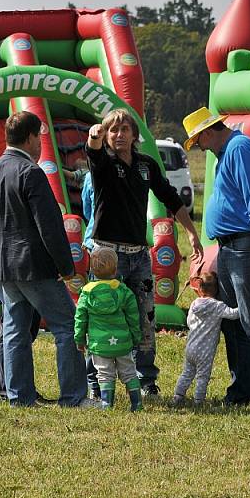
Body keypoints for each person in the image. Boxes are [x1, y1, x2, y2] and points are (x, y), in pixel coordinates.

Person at [86, 108, 202, 400]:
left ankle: (146, 380)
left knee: (145, 318)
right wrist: (94, 136)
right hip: (106, 255)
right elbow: (94, 151)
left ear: (135, 135)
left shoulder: (147, 165)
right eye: (113, 130)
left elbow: (171, 198)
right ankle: (95, 381)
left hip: (138, 254)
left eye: (125, 129)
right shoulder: (103, 163)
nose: (119, 134)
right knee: (102, 317)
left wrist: (190, 231)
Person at [0, 111, 89, 407]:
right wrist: (66, 268)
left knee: (15, 328)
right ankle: (74, 397)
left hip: (3, 266)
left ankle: (19, 397)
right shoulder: (31, 172)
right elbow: (49, 226)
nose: (41, 144)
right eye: (39, 138)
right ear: (29, 137)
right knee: (67, 325)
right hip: (35, 266)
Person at [183, 106, 250, 407]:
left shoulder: (238, 149)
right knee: (233, 321)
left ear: (205, 132)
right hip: (231, 247)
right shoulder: (229, 152)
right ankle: (242, 390)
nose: (198, 147)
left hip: (246, 246)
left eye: (196, 141)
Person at [74, 247, 143, 411]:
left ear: (92, 270)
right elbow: (133, 316)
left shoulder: (86, 293)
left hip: (100, 345)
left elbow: (80, 319)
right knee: (129, 372)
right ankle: (136, 404)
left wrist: (79, 339)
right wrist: (136, 336)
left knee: (104, 373)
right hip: (123, 342)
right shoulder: (122, 290)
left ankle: (106, 404)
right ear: (115, 268)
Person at [172, 272, 240, 405]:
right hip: (205, 352)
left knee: (187, 373)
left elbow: (188, 322)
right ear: (216, 289)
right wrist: (244, 306)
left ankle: (178, 396)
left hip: (190, 347)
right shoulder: (217, 306)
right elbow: (233, 314)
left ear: (199, 288)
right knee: (203, 376)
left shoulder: (194, 304)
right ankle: (199, 401)